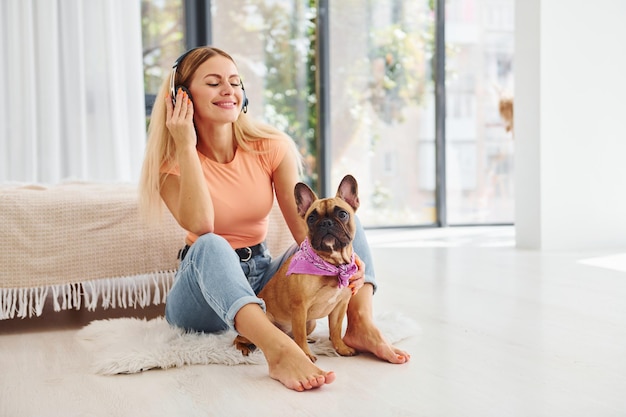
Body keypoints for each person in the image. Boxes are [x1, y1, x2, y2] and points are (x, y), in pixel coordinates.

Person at [139, 46, 410, 392]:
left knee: (345, 224)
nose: (229, 90)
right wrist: (185, 146)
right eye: (213, 82)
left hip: (262, 272)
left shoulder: (271, 146)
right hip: (202, 294)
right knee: (210, 243)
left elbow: (305, 233)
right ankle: (279, 349)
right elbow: (202, 225)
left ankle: (359, 322)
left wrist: (341, 264)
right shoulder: (170, 165)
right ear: (182, 97)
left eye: (236, 82)